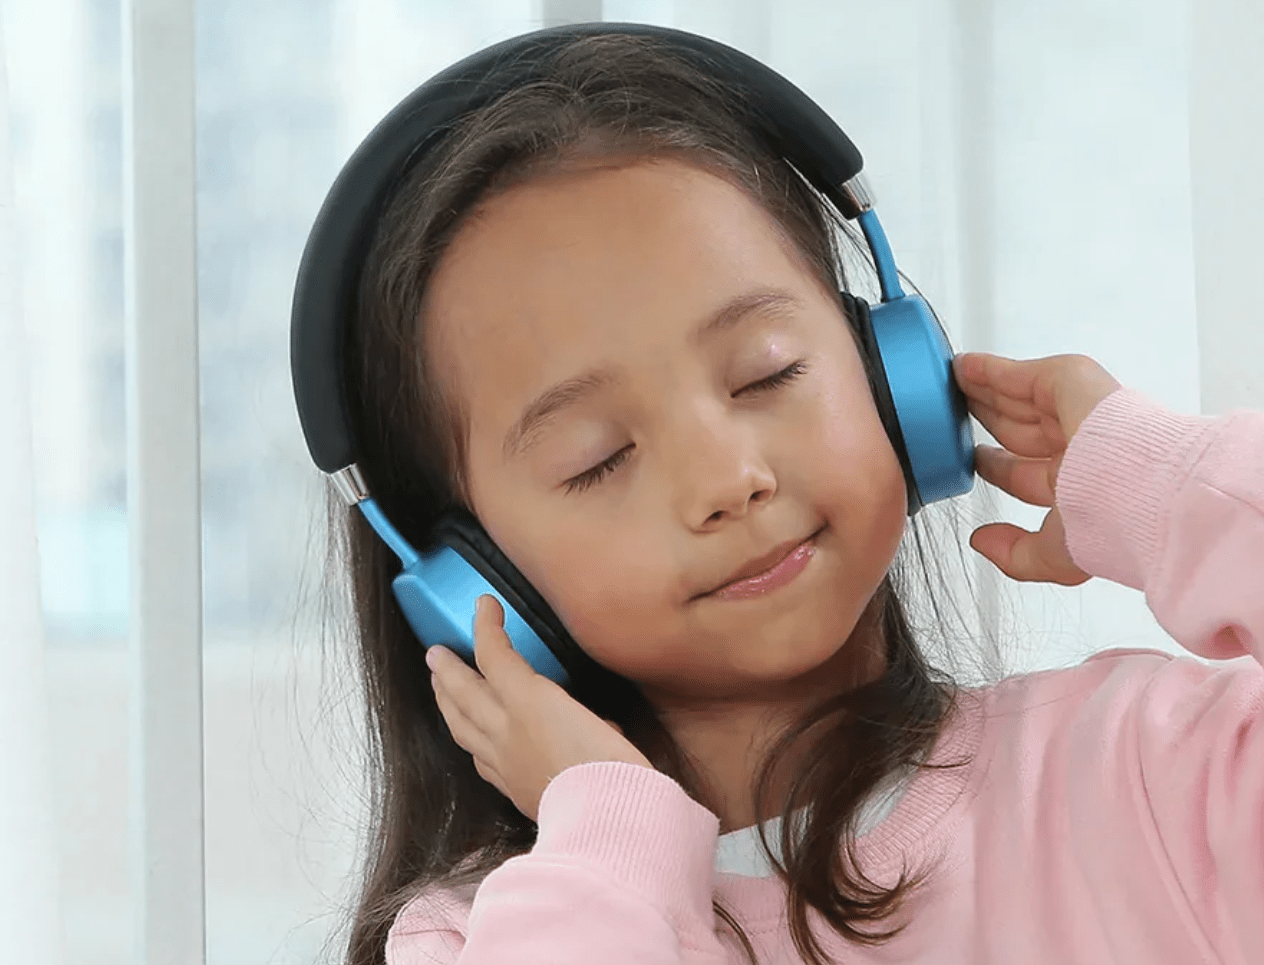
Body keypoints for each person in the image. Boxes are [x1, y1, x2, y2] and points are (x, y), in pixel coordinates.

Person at [325, 32, 1263, 965]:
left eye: (766, 373)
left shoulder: (1152, 770)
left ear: (889, 375)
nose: (728, 480)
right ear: (465, 579)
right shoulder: (482, 936)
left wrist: (1182, 488)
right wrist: (607, 837)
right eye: (598, 458)